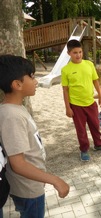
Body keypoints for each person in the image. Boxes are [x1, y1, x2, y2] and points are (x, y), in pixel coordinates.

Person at [0, 55, 70, 218]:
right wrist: (55, 180)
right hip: (28, 188)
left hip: (31, 182)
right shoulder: (12, 116)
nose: (36, 81)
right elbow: (18, 164)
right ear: (17, 84)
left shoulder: (15, 109)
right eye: (31, 77)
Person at [61, 40, 101, 162]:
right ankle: (84, 149)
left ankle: (98, 145)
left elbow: (95, 81)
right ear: (69, 53)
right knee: (81, 129)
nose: (78, 55)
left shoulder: (89, 64)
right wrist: (68, 107)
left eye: (80, 52)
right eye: (75, 53)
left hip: (90, 103)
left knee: (95, 125)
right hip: (76, 105)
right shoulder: (65, 70)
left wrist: (100, 96)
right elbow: (65, 90)